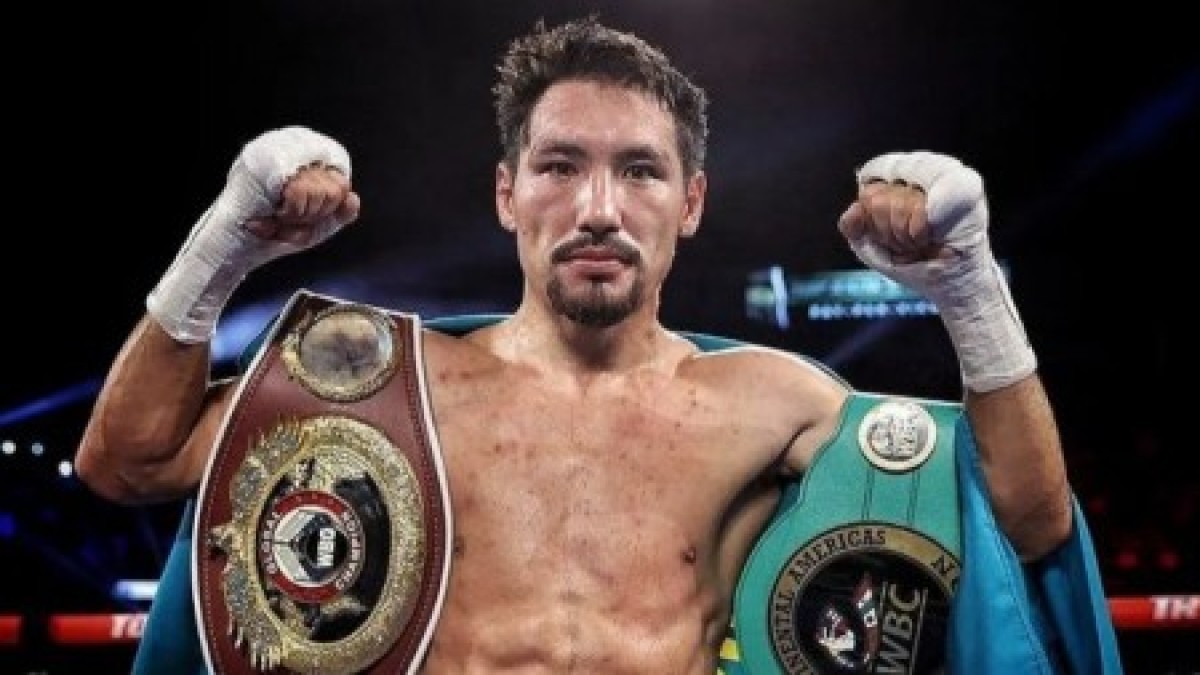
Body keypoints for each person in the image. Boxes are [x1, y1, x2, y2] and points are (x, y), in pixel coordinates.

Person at [73, 16, 1115, 675]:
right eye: (561, 166)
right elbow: (127, 462)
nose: (600, 209)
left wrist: (966, 287)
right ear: (507, 193)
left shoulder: (769, 401)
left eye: (641, 171)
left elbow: (1024, 521)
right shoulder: (395, 386)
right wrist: (229, 242)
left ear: (691, 203)